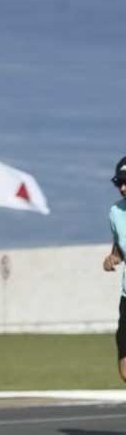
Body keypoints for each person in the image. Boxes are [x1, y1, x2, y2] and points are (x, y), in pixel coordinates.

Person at [103, 156, 126, 382]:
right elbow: (120, 245)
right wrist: (113, 257)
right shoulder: (116, 212)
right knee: (124, 370)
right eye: (119, 182)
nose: (123, 188)